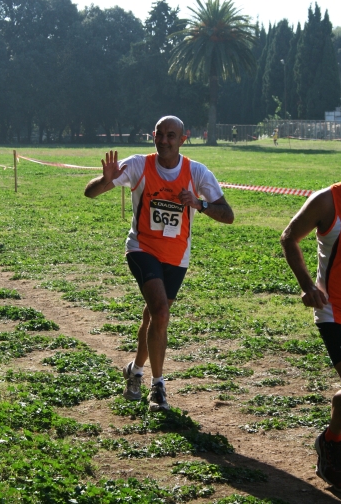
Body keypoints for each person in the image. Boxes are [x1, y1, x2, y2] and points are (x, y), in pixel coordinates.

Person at [84, 116, 234, 411]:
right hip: (142, 248)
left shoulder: (198, 173)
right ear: (153, 135)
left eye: (171, 135)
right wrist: (106, 179)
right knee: (161, 313)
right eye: (160, 135)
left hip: (177, 257)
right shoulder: (139, 164)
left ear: (183, 138)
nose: (164, 140)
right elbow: (90, 192)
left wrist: (199, 204)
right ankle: (158, 387)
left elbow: (228, 214)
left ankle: (135, 370)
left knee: (153, 317)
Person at [280, 136, 341, 493]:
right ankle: (332, 445)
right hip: (335, 312)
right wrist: (309, 285)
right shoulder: (328, 201)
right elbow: (289, 237)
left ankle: (331, 443)